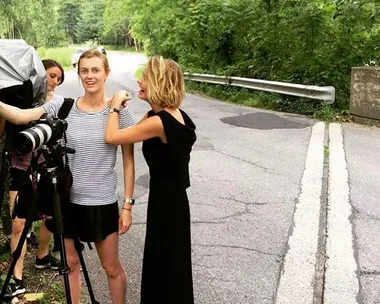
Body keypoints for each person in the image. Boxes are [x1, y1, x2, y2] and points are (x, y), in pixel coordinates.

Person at [0, 49, 135, 304]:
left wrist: (127, 204)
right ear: (78, 73)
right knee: (70, 263)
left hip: (101, 200)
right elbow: (21, 116)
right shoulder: (63, 106)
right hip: (67, 201)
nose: (90, 76)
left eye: (96, 70)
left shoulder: (118, 112)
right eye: (84, 70)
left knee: (111, 268)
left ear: (106, 73)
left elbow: (129, 160)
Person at [105, 56, 196, 304]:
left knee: (164, 266)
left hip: (168, 204)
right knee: (168, 267)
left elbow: (113, 137)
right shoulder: (172, 115)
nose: (139, 80)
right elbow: (130, 132)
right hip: (171, 200)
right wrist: (117, 110)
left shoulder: (159, 122)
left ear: (159, 82)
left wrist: (113, 106)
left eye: (145, 77)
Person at [0, 59, 65, 297]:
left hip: (44, 166)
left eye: (58, 77)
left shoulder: (57, 102)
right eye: (49, 75)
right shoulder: (20, 99)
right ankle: (17, 280)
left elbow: (24, 118)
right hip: (19, 166)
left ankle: (42, 255)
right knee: (18, 223)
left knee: (51, 215)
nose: (53, 81)